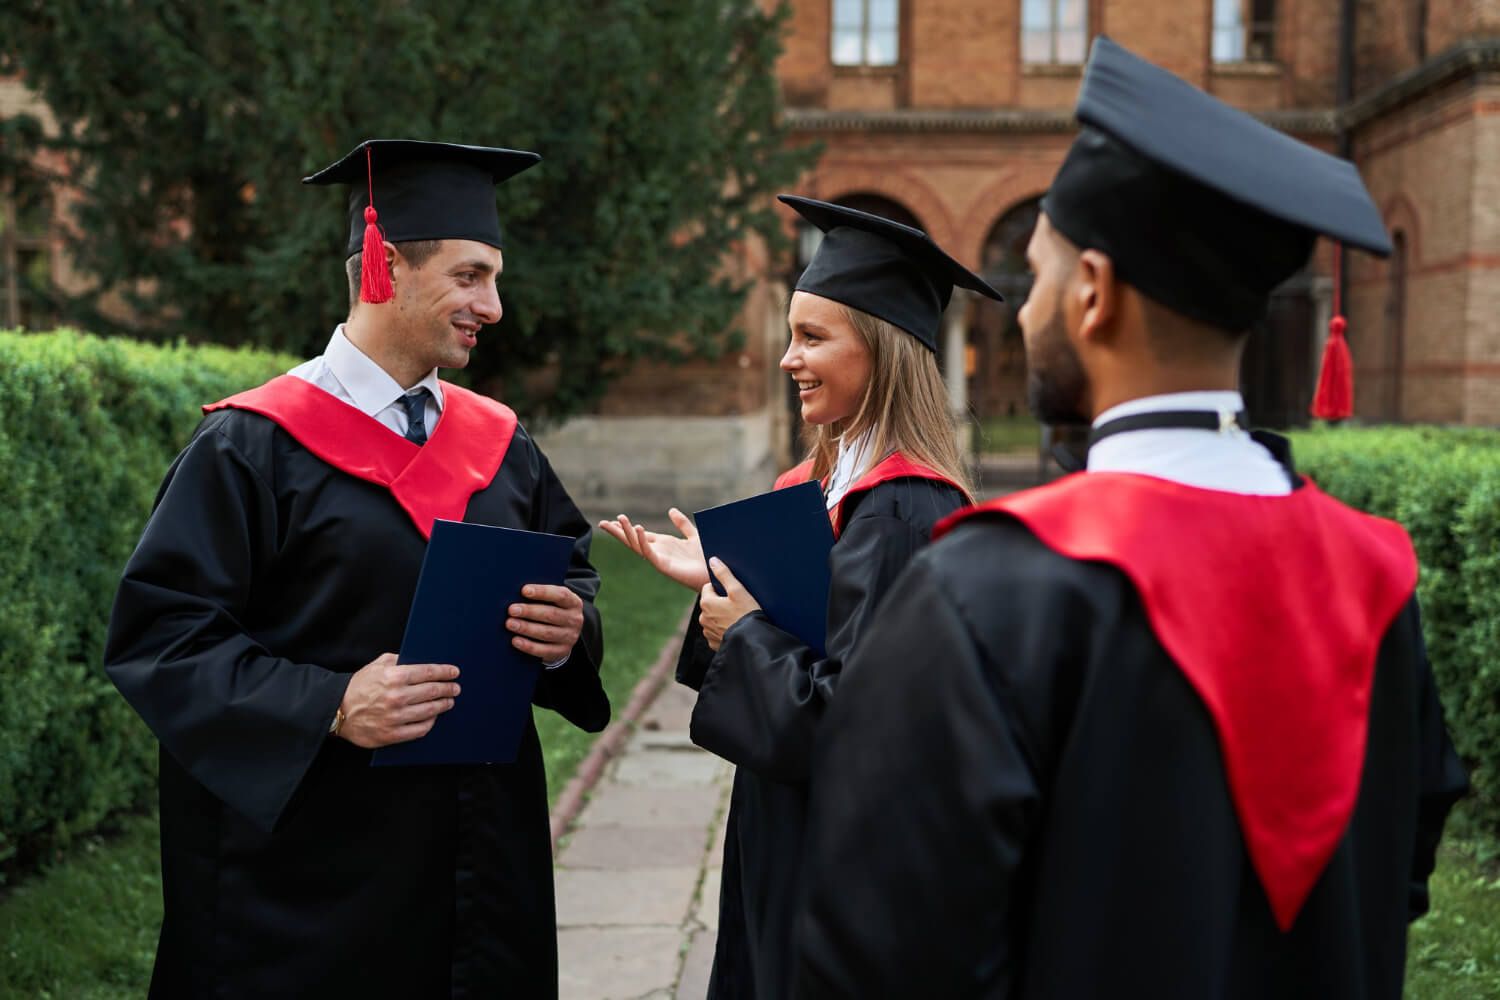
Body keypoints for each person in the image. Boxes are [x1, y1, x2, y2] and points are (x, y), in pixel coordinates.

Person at [792, 39, 1468, 999]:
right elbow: (1398, 869)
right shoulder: (1378, 577)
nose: (1024, 315)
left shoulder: (989, 586)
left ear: (1095, 295)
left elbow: (887, 950)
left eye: (1036, 281)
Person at [104, 139, 609, 999]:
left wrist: (568, 634)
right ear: (385, 268)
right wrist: (331, 703)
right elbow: (164, 638)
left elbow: (574, 574)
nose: (493, 304)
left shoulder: (502, 444)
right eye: (470, 276)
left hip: (480, 866)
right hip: (310, 887)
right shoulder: (250, 447)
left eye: (493, 278)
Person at [600, 194, 1003, 999]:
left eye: (813, 337)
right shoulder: (832, 489)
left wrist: (742, 630)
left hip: (843, 855)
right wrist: (721, 590)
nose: (788, 359)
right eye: (791, 334)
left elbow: (860, 724)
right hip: (788, 826)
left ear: (884, 354)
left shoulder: (900, 510)